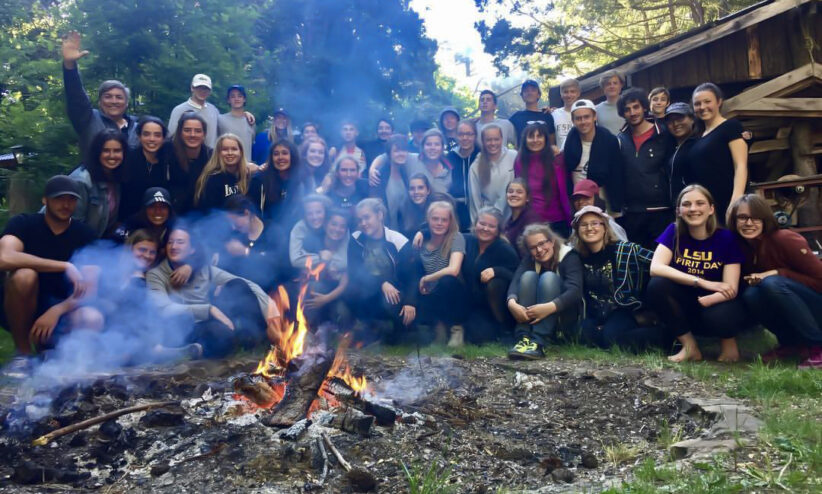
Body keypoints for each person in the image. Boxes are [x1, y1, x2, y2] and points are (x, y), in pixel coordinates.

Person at [646, 185, 748, 363]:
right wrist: (702, 282)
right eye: (686, 204)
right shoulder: (674, 231)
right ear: (679, 211)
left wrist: (710, 297)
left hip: (719, 304)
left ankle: (729, 345)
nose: (693, 209)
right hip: (686, 305)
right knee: (657, 285)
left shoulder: (726, 238)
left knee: (720, 312)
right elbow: (656, 268)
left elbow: (731, 288)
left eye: (700, 203)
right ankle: (690, 347)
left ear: (711, 209)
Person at [0, 176, 97, 358]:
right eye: (59, 199)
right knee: (24, 276)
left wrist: (57, 310)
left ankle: (57, 354)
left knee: (92, 317)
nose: (65, 205)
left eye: (71, 199)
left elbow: (90, 290)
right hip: (18, 304)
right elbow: (4, 258)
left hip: (61, 307)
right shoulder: (23, 224)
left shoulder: (85, 234)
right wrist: (65, 266)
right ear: (45, 200)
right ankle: (24, 354)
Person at [147, 224, 274, 358]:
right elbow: (164, 309)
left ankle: (250, 338)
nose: (173, 247)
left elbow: (245, 283)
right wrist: (209, 309)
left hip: (203, 325)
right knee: (185, 320)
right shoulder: (156, 274)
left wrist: (272, 314)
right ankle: (182, 351)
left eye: (180, 242)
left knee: (237, 285)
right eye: (170, 242)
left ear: (192, 250)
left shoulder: (203, 270)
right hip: (177, 326)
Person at [728, 194, 822, 369]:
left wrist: (777, 273)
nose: (749, 223)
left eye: (755, 217)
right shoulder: (741, 246)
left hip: (816, 305)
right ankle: (791, 344)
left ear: (766, 219)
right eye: (742, 217)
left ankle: (818, 346)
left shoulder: (784, 238)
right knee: (751, 294)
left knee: (772, 284)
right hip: (790, 304)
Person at [571, 206, 664, 351]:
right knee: (581, 336)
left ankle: (665, 335)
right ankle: (606, 333)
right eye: (583, 225)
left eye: (595, 223)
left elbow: (657, 262)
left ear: (604, 227)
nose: (589, 228)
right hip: (595, 313)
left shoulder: (626, 249)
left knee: (612, 340)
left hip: (622, 310)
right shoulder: (577, 258)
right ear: (578, 231)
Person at [61, 30, 138, 165]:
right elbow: (76, 97)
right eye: (108, 96)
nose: (114, 101)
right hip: (95, 184)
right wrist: (70, 67)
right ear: (100, 102)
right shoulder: (88, 119)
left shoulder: (138, 127)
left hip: (129, 185)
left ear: (126, 103)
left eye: (119, 97)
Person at [507, 224, 582, 359]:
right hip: (533, 315)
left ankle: (539, 341)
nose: (539, 250)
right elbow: (516, 280)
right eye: (533, 247)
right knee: (527, 276)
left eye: (542, 243)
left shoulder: (569, 256)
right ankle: (523, 338)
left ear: (552, 241)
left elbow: (575, 291)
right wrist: (512, 303)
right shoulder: (531, 258)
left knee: (549, 278)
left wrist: (549, 307)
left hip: (562, 318)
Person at [346, 199, 415, 343]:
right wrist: (382, 283)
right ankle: (368, 326)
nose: (363, 223)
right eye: (360, 220)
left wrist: (410, 302)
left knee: (394, 312)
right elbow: (354, 271)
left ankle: (392, 330)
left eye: (367, 217)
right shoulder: (356, 239)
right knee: (353, 289)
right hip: (370, 292)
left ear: (380, 215)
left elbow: (412, 276)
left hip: (395, 294)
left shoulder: (398, 241)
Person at [402, 201, 467, 347]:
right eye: (435, 219)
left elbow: (454, 270)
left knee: (447, 280)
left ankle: (457, 330)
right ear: (428, 220)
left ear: (450, 222)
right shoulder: (421, 241)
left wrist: (426, 278)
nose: (439, 223)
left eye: (444, 220)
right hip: (430, 294)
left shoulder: (456, 237)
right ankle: (439, 331)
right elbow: (413, 272)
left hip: (454, 294)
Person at [616, 88, 675, 249]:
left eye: (636, 107)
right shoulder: (620, 139)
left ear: (644, 107)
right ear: (622, 113)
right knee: (636, 263)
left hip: (661, 210)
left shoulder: (664, 134)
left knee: (661, 262)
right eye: (627, 109)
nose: (632, 112)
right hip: (632, 212)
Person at [687, 83, 748, 220]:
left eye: (707, 102)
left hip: (728, 201)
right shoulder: (699, 136)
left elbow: (741, 166)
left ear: (719, 102)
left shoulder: (730, 127)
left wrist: (736, 201)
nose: (702, 107)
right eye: (697, 104)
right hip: (708, 206)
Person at [462, 207, 520, 343]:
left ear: (498, 230)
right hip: (469, 303)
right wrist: (424, 232)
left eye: (491, 226)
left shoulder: (504, 249)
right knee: (475, 337)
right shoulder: (466, 240)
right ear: (475, 223)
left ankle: (505, 330)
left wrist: (497, 271)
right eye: (482, 223)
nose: (485, 229)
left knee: (482, 337)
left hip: (493, 306)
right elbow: (444, 232)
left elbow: (518, 276)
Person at [219, 195, 291, 292]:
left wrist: (246, 252)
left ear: (246, 213)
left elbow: (281, 266)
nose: (233, 227)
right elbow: (229, 267)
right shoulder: (236, 235)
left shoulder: (273, 231)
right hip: (241, 293)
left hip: (269, 292)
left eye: (235, 222)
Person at [563, 100, 624, 214]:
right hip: (578, 200)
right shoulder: (569, 142)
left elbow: (617, 173)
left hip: (603, 198)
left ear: (594, 117)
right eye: (578, 118)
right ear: (573, 120)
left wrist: (617, 205)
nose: (583, 122)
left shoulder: (609, 141)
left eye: (586, 117)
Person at [514, 123, 572, 236]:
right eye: (531, 136)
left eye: (539, 136)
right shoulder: (520, 161)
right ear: (525, 140)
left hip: (558, 220)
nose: (535, 140)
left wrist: (570, 220)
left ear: (546, 139)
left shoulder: (557, 159)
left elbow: (565, 191)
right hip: (531, 222)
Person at [69, 129, 127, 238]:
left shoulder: (115, 178)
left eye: (117, 150)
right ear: (97, 152)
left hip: (94, 242)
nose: (112, 155)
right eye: (106, 150)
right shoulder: (81, 180)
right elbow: (72, 225)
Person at [302, 208, 350, 327]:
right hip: (319, 288)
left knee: (343, 314)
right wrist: (323, 261)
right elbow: (308, 276)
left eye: (342, 226)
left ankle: (331, 324)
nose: (337, 229)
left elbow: (344, 283)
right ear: (325, 225)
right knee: (314, 287)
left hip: (338, 293)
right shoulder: (314, 244)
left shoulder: (348, 249)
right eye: (333, 224)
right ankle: (310, 328)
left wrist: (326, 299)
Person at [120, 116, 173, 221]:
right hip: (128, 220)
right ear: (139, 136)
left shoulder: (169, 162)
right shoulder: (127, 159)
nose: (152, 139)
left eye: (157, 135)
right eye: (146, 134)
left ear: (163, 138)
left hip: (159, 220)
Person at [249, 139, 307, 226]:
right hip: (265, 232)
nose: (280, 157)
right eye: (276, 154)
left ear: (293, 156)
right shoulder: (258, 180)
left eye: (285, 153)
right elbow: (252, 213)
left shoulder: (300, 180)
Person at [468, 123, 516, 223]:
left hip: (513, 219)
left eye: (496, 139)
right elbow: (474, 200)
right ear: (483, 141)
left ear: (502, 139)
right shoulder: (475, 167)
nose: (493, 143)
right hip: (489, 223)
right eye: (488, 140)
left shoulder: (514, 157)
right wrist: (477, 225)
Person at [193, 134, 250, 211]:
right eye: (225, 149)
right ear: (218, 153)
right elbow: (209, 212)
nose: (230, 153)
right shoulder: (212, 179)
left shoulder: (246, 176)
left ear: (241, 152)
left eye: (234, 149)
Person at [168, 112, 212, 214]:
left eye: (197, 131)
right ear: (180, 132)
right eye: (187, 130)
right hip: (172, 214)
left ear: (204, 134)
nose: (192, 135)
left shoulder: (211, 156)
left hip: (202, 214)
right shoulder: (167, 152)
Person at [369, 135, 414, 230]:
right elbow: (375, 207)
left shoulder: (407, 172)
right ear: (389, 154)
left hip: (408, 232)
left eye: (403, 150)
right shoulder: (379, 176)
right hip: (387, 232)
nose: (401, 154)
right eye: (396, 151)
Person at [168, 74, 220, 149]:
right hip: (185, 156)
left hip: (211, 157)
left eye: (206, 88)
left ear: (210, 91)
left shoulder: (214, 110)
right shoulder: (179, 110)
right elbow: (171, 136)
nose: (203, 91)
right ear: (192, 88)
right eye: (199, 87)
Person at [117, 187, 175, 252]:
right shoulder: (133, 224)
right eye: (152, 206)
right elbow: (118, 234)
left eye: (163, 207)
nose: (158, 212)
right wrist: (133, 238)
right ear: (144, 210)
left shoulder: (176, 227)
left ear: (169, 211)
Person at [446, 121, 479, 231]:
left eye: (469, 134)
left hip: (478, 207)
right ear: (456, 136)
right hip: (455, 209)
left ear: (475, 136)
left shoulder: (481, 156)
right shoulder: (450, 157)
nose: (465, 138)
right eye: (461, 134)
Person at [664, 102, 698, 202]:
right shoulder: (669, 147)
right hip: (677, 207)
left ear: (692, 119)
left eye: (679, 119)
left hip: (693, 205)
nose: (675, 124)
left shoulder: (699, 146)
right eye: (670, 121)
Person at [289, 194, 332, 270]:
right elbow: (295, 260)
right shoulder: (300, 227)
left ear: (325, 212)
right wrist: (320, 257)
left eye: (318, 212)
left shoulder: (335, 224)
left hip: (333, 271)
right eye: (309, 213)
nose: (315, 217)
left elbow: (343, 259)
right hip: (309, 270)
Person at [509, 80, 555, 147]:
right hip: (523, 156)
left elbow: (552, 142)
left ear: (538, 95)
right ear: (522, 96)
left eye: (533, 90)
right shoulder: (516, 117)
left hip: (544, 156)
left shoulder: (547, 115)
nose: (529, 93)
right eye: (526, 91)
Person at [218, 85, 256, 160]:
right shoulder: (220, 119)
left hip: (246, 168)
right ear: (228, 100)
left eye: (240, 96)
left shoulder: (250, 121)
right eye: (233, 96)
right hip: (226, 166)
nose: (236, 99)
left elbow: (251, 144)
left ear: (244, 99)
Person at [502, 178, 541, 245]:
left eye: (519, 192)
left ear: (527, 198)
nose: (513, 195)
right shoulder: (509, 221)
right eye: (510, 191)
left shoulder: (531, 220)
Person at [399, 174, 435, 239]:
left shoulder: (437, 207)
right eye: (412, 188)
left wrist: (423, 233)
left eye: (420, 188)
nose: (416, 192)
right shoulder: (402, 210)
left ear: (428, 190)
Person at [417, 129, 453, 195]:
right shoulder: (414, 162)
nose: (432, 148)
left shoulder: (449, 170)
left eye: (437, 144)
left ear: (442, 148)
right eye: (428, 144)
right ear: (423, 147)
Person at [594, 70, 626, 135]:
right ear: (603, 87)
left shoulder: (629, 106)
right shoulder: (596, 109)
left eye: (615, 83)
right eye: (608, 84)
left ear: (621, 85)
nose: (612, 86)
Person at [552, 79, 580, 150]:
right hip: (562, 158)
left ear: (578, 93)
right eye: (565, 92)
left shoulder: (586, 114)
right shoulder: (554, 114)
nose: (569, 95)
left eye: (572, 91)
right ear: (561, 94)